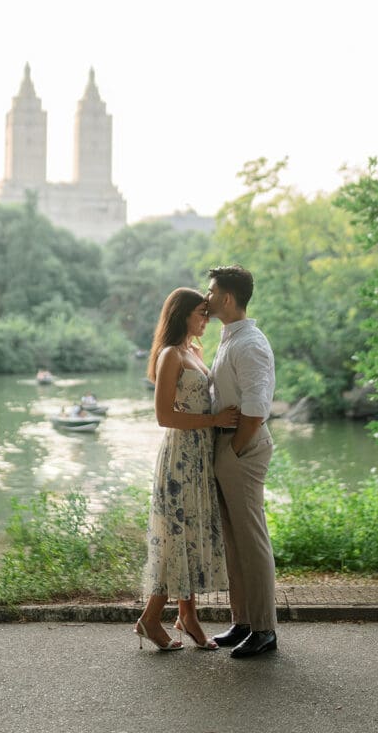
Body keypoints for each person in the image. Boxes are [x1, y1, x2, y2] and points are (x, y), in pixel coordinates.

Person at [134, 288, 239, 652]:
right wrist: (213, 419)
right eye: (200, 313)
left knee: (190, 535)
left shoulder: (194, 352)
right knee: (175, 536)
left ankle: (188, 615)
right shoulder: (170, 355)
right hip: (180, 458)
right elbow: (164, 416)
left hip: (199, 456)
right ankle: (150, 618)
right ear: (181, 315)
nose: (206, 320)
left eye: (207, 313)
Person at [205, 264, 279, 658]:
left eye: (212, 290)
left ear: (227, 298)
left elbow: (256, 408)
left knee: (251, 540)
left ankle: (265, 629)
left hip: (242, 446)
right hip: (229, 444)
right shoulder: (230, 337)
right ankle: (244, 621)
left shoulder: (250, 343)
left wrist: (233, 452)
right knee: (234, 542)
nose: (207, 296)